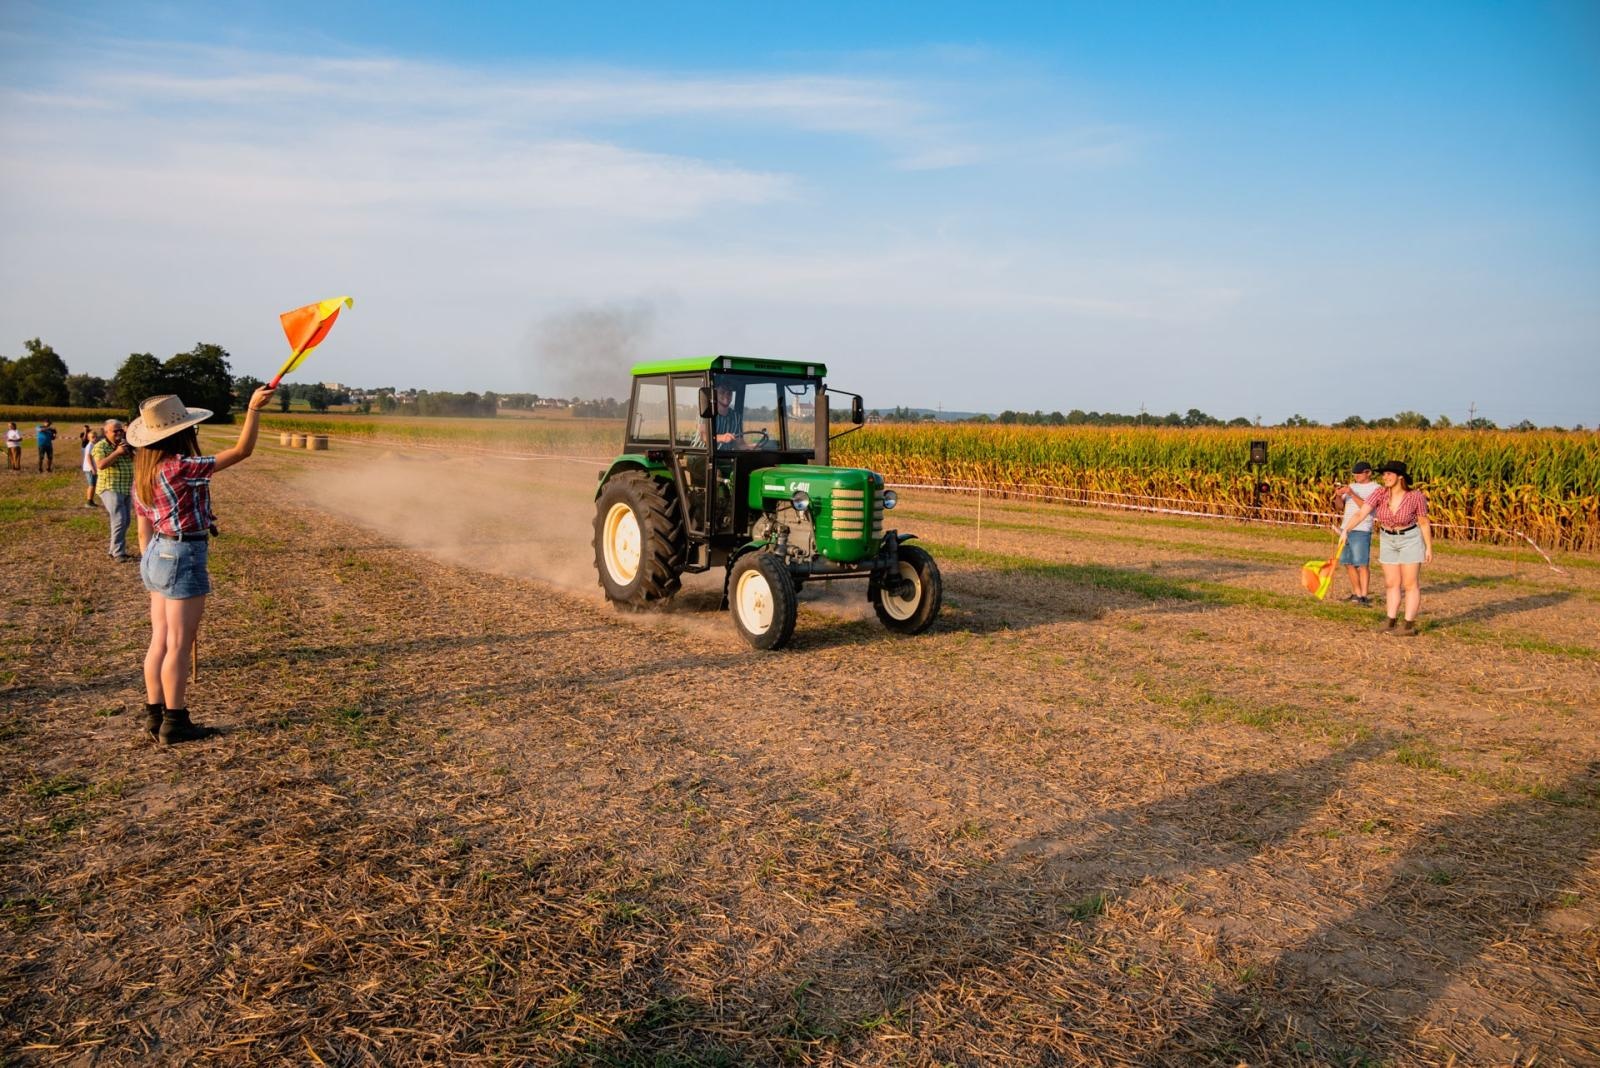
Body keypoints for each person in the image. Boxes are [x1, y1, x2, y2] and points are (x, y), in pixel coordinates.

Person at [129, 386, 275, 744]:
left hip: (156, 555)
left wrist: (155, 562)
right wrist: (253, 409)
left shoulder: (143, 474)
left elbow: (143, 531)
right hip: (181, 554)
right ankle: (175, 722)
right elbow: (242, 451)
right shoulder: (180, 468)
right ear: (182, 433)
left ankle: (155, 714)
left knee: (160, 641)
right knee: (179, 643)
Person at [1338, 460, 1432, 636]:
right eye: (1384, 474)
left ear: (1400, 477)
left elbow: (1424, 522)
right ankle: (1390, 621)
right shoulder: (1379, 493)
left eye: (1389, 474)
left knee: (1410, 583)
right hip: (1387, 539)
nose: (1385, 477)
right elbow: (1361, 512)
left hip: (1409, 538)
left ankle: (1408, 625)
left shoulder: (1415, 496)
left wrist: (1428, 548)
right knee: (1391, 583)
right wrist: (1346, 530)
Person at [1333, 461, 1378, 605]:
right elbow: (1339, 507)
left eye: (1359, 474)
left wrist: (1352, 493)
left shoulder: (1376, 488)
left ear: (1368, 473)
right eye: (1354, 474)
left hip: (1362, 528)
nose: (1356, 476)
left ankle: (1364, 596)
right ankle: (1356, 593)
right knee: (1347, 562)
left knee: (1361, 563)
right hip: (1346, 529)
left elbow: (1367, 508)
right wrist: (1339, 495)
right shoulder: (1351, 486)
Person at [91, 419, 136, 561]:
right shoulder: (100, 446)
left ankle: (113, 550)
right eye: (114, 431)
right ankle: (118, 552)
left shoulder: (125, 445)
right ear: (106, 433)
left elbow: (136, 460)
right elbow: (101, 465)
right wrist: (117, 452)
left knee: (126, 520)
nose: (118, 433)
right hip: (110, 487)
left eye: (120, 430)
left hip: (126, 487)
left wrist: (130, 451)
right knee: (119, 519)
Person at [80, 428, 101, 506]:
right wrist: (93, 468)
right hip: (89, 469)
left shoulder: (94, 445)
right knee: (91, 485)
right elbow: (88, 458)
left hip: (92, 468)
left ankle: (91, 500)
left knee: (93, 485)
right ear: (89, 438)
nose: (95, 438)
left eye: (96, 437)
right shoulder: (89, 446)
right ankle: (89, 502)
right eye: (93, 437)